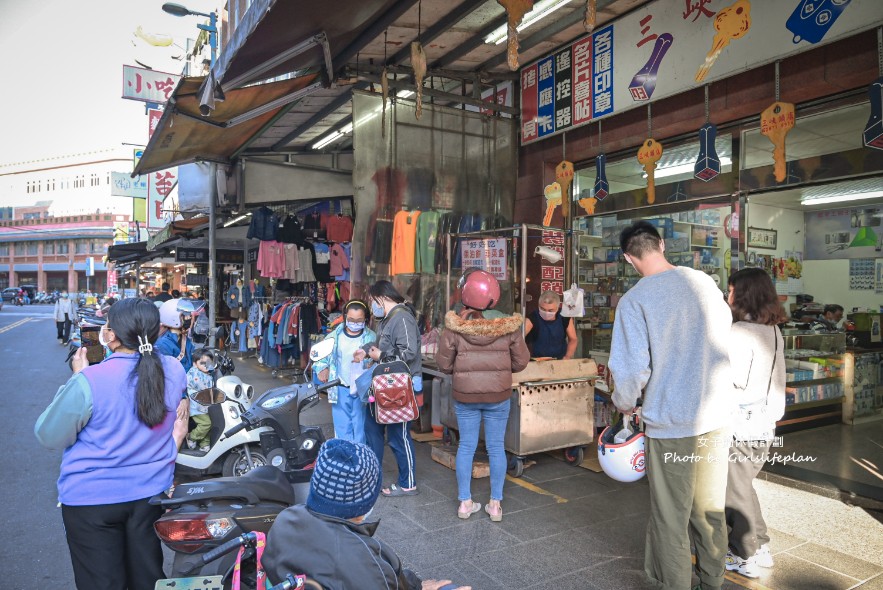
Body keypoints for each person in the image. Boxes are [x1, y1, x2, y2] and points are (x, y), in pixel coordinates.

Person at [608, 221, 734, 590]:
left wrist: (624, 405)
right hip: (716, 416)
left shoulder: (635, 301)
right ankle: (713, 582)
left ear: (630, 259)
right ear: (662, 244)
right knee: (709, 511)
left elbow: (631, 369)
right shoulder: (703, 282)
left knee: (669, 516)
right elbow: (725, 337)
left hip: (672, 423)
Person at [34, 297, 189, 590]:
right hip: (150, 496)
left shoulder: (90, 380)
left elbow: (49, 435)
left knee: (102, 582)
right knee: (146, 577)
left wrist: (78, 377)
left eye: (106, 325)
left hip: (92, 501)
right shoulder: (174, 370)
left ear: (111, 336)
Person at [263, 439, 471, 590]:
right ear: (364, 501)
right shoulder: (361, 557)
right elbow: (376, 578)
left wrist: (415, 585)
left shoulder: (284, 518)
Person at [435, 269, 530, 522]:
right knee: (496, 447)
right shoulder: (508, 327)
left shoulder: (454, 327)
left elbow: (444, 365)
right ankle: (495, 505)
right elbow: (521, 363)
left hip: (465, 396)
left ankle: (465, 503)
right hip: (498, 395)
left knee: (466, 446)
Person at [724, 269, 786, 578]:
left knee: (733, 493)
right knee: (743, 487)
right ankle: (761, 546)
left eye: (731, 289)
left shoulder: (740, 332)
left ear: (743, 294)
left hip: (741, 424)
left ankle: (743, 554)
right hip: (764, 423)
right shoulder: (773, 330)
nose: (728, 295)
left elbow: (733, 381)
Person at [355, 280, 422, 497]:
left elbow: (408, 352)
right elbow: (380, 344)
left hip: (398, 388)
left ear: (382, 298)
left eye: (372, 300)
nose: (371, 304)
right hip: (382, 385)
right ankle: (372, 477)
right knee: (372, 430)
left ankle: (408, 483)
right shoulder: (386, 319)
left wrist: (380, 356)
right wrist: (366, 351)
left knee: (398, 435)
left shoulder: (402, 318)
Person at [314, 300, 376, 444]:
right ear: (345, 317)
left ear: (365, 320)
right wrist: (322, 368)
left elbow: (376, 360)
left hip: (362, 389)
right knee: (342, 429)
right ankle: (345, 460)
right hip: (340, 387)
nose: (355, 323)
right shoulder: (334, 336)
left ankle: (360, 461)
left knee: (361, 429)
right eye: (351, 320)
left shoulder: (371, 337)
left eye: (359, 320)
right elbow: (320, 356)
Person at [523, 290, 577, 359]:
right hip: (537, 361)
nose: (546, 312)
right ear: (538, 305)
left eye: (550, 310)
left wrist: (567, 356)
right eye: (543, 309)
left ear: (557, 308)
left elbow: (573, 339)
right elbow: (518, 338)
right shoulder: (532, 318)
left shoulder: (564, 317)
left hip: (560, 360)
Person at [186, 348, 216, 452]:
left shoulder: (206, 373)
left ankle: (204, 444)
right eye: (202, 363)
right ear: (195, 364)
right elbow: (203, 387)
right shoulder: (195, 374)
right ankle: (192, 437)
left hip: (203, 406)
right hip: (196, 406)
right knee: (206, 423)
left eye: (208, 362)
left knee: (209, 422)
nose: (206, 365)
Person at [155, 298, 196, 372]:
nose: (189, 318)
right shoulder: (162, 344)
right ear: (173, 318)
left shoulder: (184, 338)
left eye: (189, 315)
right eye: (185, 315)